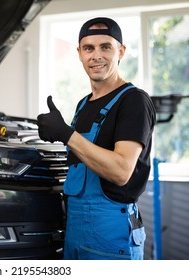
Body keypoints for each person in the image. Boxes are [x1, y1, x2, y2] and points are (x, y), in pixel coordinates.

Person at [37, 17, 156, 260]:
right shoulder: (83, 104)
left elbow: (121, 171)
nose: (96, 56)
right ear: (79, 53)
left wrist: (66, 134)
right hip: (75, 228)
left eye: (106, 47)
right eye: (89, 48)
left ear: (121, 51)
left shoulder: (133, 101)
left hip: (111, 234)